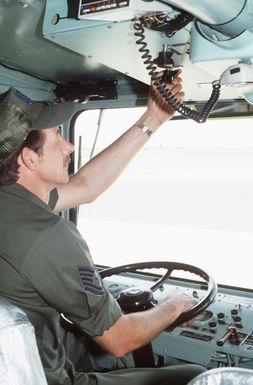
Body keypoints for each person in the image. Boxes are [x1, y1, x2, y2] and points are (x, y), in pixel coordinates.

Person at [0, 80, 205, 385]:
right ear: (30, 158)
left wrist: (154, 118)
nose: (68, 145)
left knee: (91, 348)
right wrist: (174, 305)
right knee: (196, 376)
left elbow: (85, 187)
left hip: (25, 351)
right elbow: (120, 339)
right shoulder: (48, 235)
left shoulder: (12, 199)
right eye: (58, 136)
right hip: (38, 377)